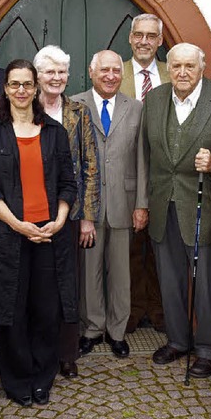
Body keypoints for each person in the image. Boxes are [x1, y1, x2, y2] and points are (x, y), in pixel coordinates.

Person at [137, 42, 211, 378]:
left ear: (202, 67)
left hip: (205, 205)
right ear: (168, 68)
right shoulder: (153, 100)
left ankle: (209, 348)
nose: (182, 73)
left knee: (208, 282)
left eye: (189, 67)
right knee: (169, 280)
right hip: (162, 203)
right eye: (176, 66)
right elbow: (146, 155)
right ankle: (179, 341)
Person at [0, 59, 76, 407]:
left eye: (27, 84)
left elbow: (68, 182)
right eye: (14, 84)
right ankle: (17, 378)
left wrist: (61, 219)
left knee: (46, 311)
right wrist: (17, 224)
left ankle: (42, 377)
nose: (21, 91)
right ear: (5, 89)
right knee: (12, 312)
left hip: (50, 235)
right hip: (9, 237)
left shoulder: (54, 133)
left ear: (36, 89)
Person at [71, 50, 145, 359]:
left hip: (123, 203)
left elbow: (143, 158)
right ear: (91, 72)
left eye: (116, 70)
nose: (111, 75)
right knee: (90, 272)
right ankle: (92, 328)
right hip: (86, 205)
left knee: (121, 273)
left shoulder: (136, 108)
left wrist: (142, 203)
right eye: (105, 70)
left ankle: (117, 331)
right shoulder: (74, 105)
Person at [33, 45, 100, 378]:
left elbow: (90, 164)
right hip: (30, 214)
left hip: (70, 214)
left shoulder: (79, 112)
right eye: (49, 71)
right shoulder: (26, 111)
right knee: (37, 284)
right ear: (37, 76)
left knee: (67, 284)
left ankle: (67, 353)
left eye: (61, 71)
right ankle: (39, 351)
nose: (56, 78)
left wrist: (87, 215)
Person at [120, 13, 169, 334]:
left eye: (151, 36)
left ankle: (161, 308)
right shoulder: (114, 73)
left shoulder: (173, 72)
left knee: (162, 247)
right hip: (125, 175)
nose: (144, 41)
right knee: (130, 249)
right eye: (138, 34)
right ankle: (134, 309)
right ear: (130, 37)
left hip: (166, 175)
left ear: (160, 41)